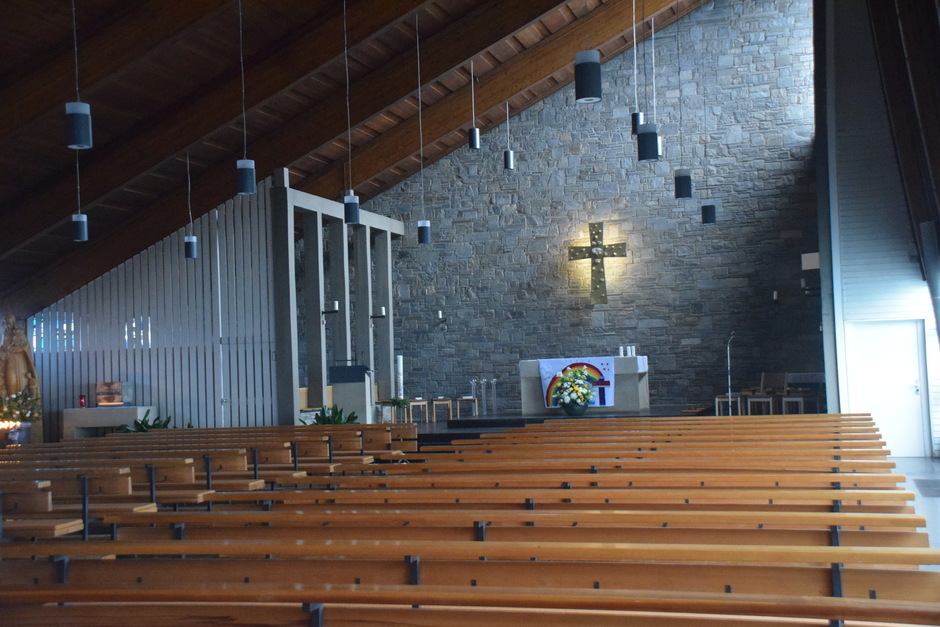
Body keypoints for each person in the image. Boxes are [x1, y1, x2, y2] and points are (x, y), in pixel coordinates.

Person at [0, 315, 39, 398]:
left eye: (9, 323)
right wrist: (4, 352)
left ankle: (20, 404)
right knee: (11, 379)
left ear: (13, 322)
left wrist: (17, 349)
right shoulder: (5, 333)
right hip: (9, 360)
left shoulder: (20, 332)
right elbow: (3, 347)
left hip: (20, 360)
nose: (8, 325)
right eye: (6, 323)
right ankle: (10, 403)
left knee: (21, 379)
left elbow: (25, 346)